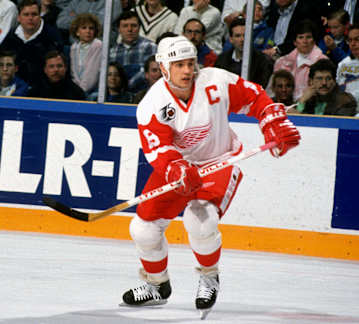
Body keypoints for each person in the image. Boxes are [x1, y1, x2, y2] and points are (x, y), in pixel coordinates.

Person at [122, 36, 300, 319]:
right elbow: (160, 150)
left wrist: (272, 122)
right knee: (143, 228)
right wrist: (177, 169)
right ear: (164, 67)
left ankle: (209, 276)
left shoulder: (215, 80)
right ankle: (156, 285)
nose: (186, 71)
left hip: (220, 161)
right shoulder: (151, 105)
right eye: (178, 65)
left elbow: (255, 97)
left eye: (190, 63)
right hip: (180, 169)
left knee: (200, 219)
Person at [0, 0, 64, 87]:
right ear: (19, 18)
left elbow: (57, 70)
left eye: (34, 14)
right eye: (26, 14)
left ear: (40, 16)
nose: (30, 18)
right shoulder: (10, 38)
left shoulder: (52, 37)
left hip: (42, 90)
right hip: (12, 89)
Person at [273, 20, 328, 100]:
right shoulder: (281, 62)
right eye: (300, 37)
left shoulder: (323, 61)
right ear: (295, 42)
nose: (305, 41)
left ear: (314, 40)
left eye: (308, 37)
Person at [215, 17, 273, 88]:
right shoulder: (221, 60)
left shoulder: (263, 61)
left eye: (245, 35)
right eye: (238, 36)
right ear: (231, 39)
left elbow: (261, 87)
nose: (242, 39)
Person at [109, 11, 157, 93]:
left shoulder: (150, 47)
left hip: (143, 94)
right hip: (119, 96)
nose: (129, 29)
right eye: (125, 26)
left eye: (133, 26)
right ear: (119, 29)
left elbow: (148, 74)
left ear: (139, 28)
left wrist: (126, 85)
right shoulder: (112, 51)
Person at [291, 59, 356, 116]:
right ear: (311, 82)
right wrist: (302, 101)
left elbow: (333, 126)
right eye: (319, 78)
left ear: (334, 81)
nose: (324, 83)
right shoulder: (307, 100)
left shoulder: (345, 101)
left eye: (328, 78)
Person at [69, 13, 102, 95]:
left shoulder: (98, 45)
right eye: (84, 28)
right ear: (77, 32)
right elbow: (74, 74)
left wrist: (80, 91)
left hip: (94, 91)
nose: (88, 31)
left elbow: (92, 74)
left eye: (91, 28)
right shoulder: (74, 47)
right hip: (77, 91)